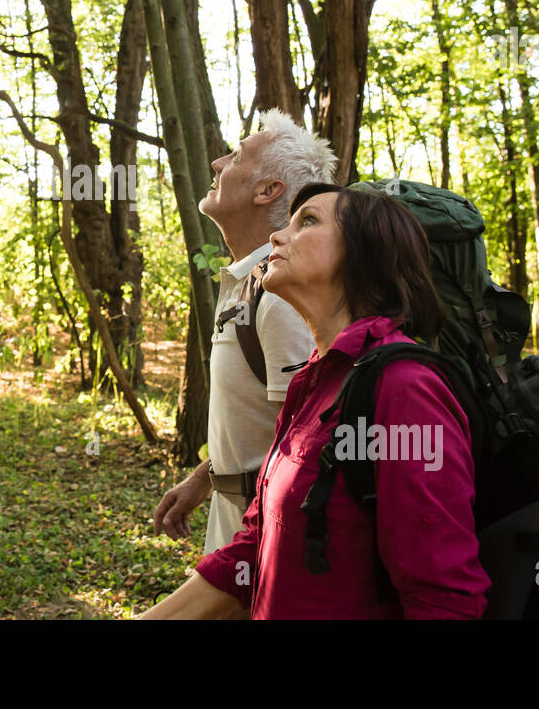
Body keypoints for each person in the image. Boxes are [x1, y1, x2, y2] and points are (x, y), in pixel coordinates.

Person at [142, 183, 490, 619]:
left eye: (308, 221)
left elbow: (443, 600)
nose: (277, 237)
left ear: (366, 254)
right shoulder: (314, 379)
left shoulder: (404, 389)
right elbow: (253, 549)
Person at [153, 109, 337, 555]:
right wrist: (206, 480)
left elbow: (308, 447)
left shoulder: (281, 296)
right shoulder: (249, 281)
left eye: (235, 157)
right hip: (235, 523)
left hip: (268, 545)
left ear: (266, 190)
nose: (217, 163)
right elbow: (269, 422)